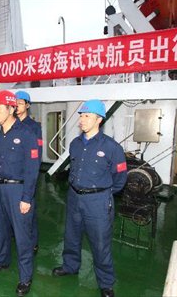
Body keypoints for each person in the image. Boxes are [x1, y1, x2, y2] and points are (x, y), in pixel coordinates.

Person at [52, 99, 127, 297]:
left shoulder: (112, 147)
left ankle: (106, 283)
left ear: (99, 119)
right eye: (81, 115)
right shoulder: (75, 144)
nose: (81, 120)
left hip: (98, 201)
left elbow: (120, 178)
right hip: (75, 197)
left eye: (86, 116)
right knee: (71, 236)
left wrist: (104, 195)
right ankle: (70, 266)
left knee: (100, 243)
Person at [0, 90, 40, 296]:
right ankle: (2, 260)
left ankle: (25, 277)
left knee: (22, 234)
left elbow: (32, 168)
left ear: (11, 109)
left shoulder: (27, 134)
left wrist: (27, 197)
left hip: (18, 189)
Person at [15, 90, 43, 255]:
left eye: (20, 103)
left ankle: (32, 242)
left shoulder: (34, 127)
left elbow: (37, 154)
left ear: (27, 105)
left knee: (29, 210)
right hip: (13, 173)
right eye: (15, 103)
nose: (17, 106)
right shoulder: (9, 124)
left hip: (27, 174)